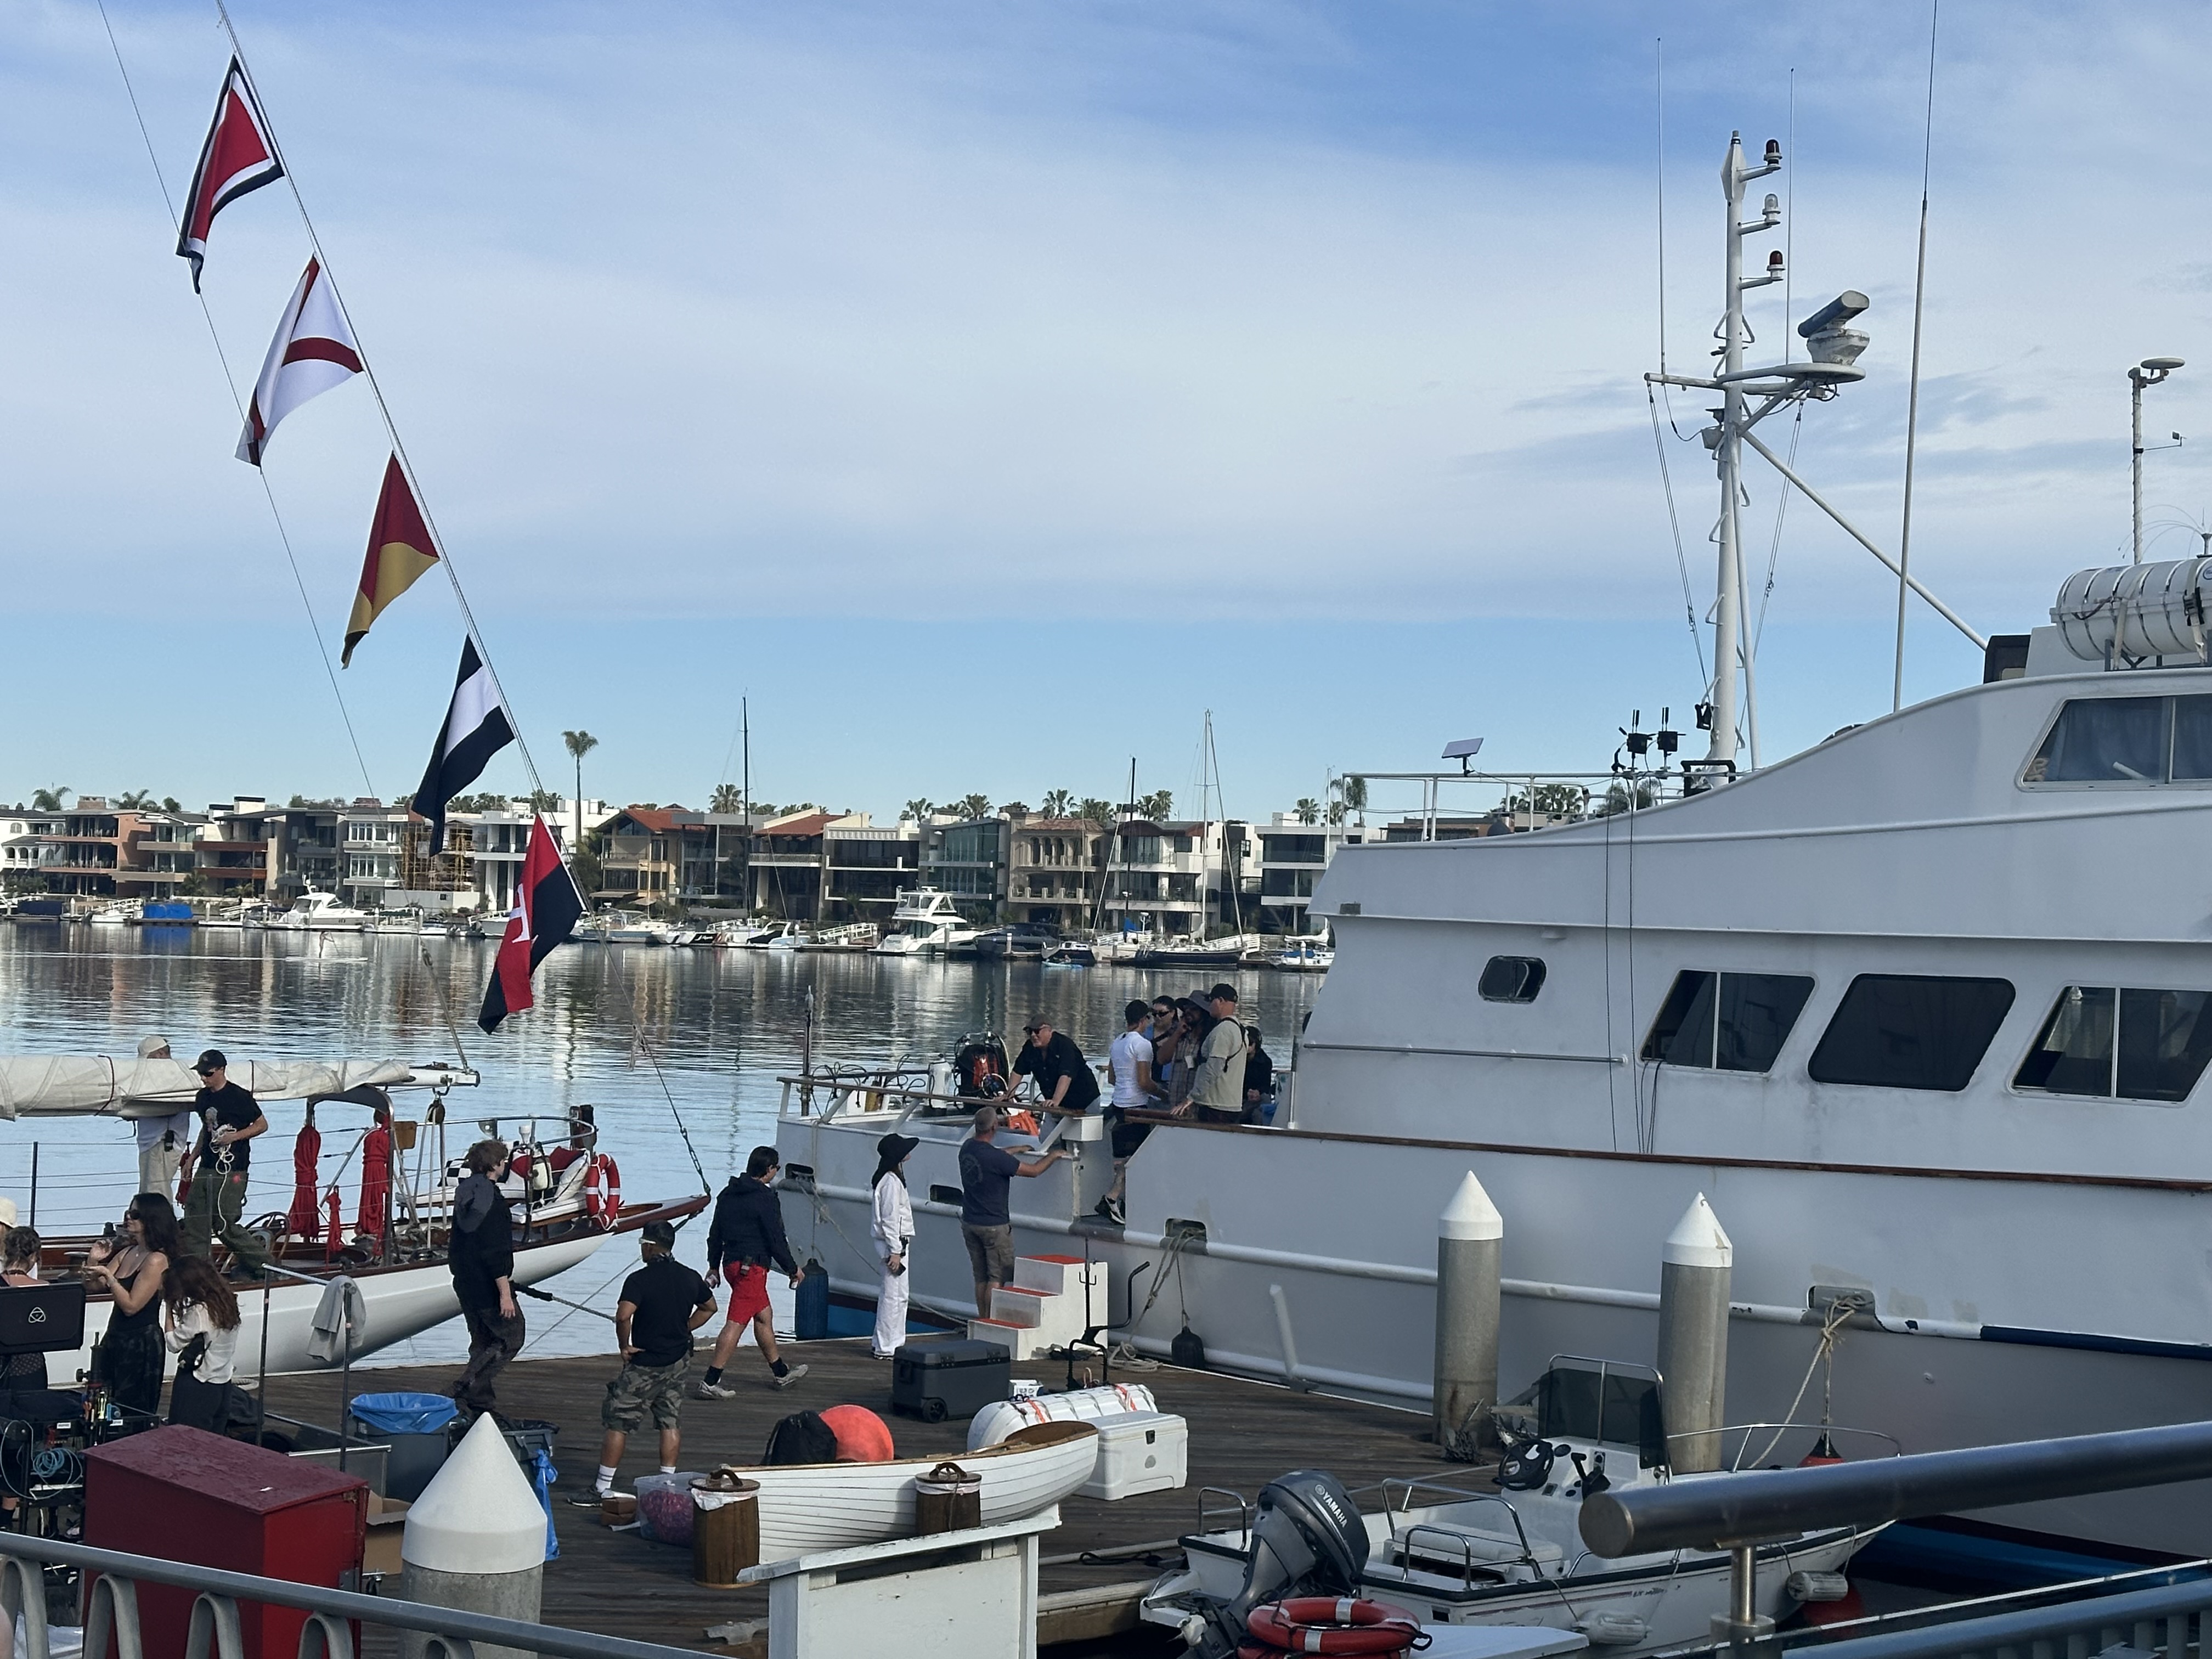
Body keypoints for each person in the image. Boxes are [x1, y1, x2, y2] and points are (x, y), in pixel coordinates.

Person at [573, 1220, 716, 1505]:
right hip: (678, 1361)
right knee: (669, 1421)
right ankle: (667, 1483)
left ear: (651, 1247)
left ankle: (601, 1488)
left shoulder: (639, 1280)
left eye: (643, 1245)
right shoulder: (689, 1277)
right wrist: (685, 1328)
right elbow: (710, 1307)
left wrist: (623, 1346)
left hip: (645, 1362)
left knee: (618, 1421)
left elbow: (624, 1315)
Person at [697, 1146, 808, 1397]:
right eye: (776, 1168)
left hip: (731, 1266)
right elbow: (776, 1239)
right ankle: (710, 1382)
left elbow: (715, 1235)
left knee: (763, 1315)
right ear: (768, 1170)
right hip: (752, 1269)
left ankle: (781, 1373)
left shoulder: (727, 1194)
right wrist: (792, 1269)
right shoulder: (765, 1199)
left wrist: (713, 1266)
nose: (777, 1172)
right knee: (736, 1324)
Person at [958, 1106, 1066, 1315]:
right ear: (995, 1126)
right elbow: (1034, 1172)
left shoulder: (967, 1148)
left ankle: (982, 1318)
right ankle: (992, 1321)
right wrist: (1053, 1155)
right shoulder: (996, 1159)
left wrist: (1016, 1150)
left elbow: (995, 1156)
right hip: (994, 1226)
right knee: (996, 1278)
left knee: (981, 1277)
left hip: (970, 1222)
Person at [83, 1194, 178, 1423]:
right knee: (101, 1404)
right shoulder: (127, 1252)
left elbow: (132, 1306)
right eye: (128, 1212)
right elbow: (92, 1287)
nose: (128, 1218)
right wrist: (94, 1261)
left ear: (150, 1220)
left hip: (140, 1342)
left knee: (131, 1411)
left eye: (135, 1214)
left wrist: (109, 1276)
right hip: (115, 1337)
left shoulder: (157, 1260)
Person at [177, 1050, 270, 1278]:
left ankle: (265, 1264)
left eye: (208, 1074)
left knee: (223, 1221)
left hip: (233, 1168)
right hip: (207, 1164)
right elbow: (206, 1129)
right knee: (195, 1216)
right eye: (201, 1074)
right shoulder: (203, 1097)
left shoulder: (239, 1096)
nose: (204, 1078)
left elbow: (261, 1125)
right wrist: (192, 1158)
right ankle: (199, 1269)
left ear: (221, 1070)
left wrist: (235, 1137)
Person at [448, 1139, 522, 1420]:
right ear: (495, 1166)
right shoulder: (492, 1201)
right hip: (487, 1284)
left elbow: (461, 1242)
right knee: (511, 1337)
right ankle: (464, 1387)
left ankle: (480, 1402)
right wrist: (505, 1292)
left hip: (465, 1280)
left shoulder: (464, 1192)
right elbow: (495, 1249)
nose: (505, 1166)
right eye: (503, 1161)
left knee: (482, 1340)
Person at [1096, 1001, 1165, 1225]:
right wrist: (1164, 1094)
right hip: (1137, 1106)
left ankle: (1125, 1202)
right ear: (1144, 1020)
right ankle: (1112, 1197)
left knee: (1130, 1156)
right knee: (1139, 1157)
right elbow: (1144, 1082)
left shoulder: (1118, 1042)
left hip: (1118, 1104)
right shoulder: (1143, 1044)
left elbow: (1112, 1079)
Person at [164, 1254, 247, 1434]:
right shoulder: (228, 1302)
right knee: (213, 1441)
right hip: (222, 1382)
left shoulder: (199, 1312)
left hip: (198, 1383)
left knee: (183, 1437)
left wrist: (169, 1309)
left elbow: (173, 1344)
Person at [868, 1133, 918, 1360]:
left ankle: (892, 1342)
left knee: (898, 1295)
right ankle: (887, 1346)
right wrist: (895, 1251)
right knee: (892, 1296)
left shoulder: (891, 1179)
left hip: (896, 1243)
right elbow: (890, 1219)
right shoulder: (890, 1182)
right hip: (894, 1244)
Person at [129, 1037, 194, 1200]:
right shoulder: (158, 1075)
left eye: (148, 1059)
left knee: (156, 1192)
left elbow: (171, 1108)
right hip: (150, 1142)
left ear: (160, 1054)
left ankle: (161, 1224)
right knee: (147, 1191)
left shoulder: (174, 1075)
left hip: (162, 1142)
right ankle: (148, 1223)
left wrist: (135, 1109)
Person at [1012, 1019, 1100, 1118]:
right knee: (1048, 1132)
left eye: (1037, 1031)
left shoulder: (1065, 1045)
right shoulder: (1030, 1047)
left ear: (1049, 1031)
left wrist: (1055, 1101)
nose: (1033, 1035)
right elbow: (1018, 1071)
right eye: (1029, 1032)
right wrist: (1009, 1095)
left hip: (1084, 1101)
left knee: (1079, 1131)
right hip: (1054, 1103)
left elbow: (1066, 1076)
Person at [1189, 984, 1248, 1126]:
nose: (1209, 1006)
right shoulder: (1241, 1029)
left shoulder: (1223, 1031)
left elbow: (1214, 1068)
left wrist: (1191, 1097)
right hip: (1232, 1104)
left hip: (1216, 1106)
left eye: (1211, 1001)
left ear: (1220, 1001)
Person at [1243, 1024, 1277, 1125]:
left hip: (1257, 1096)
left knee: (1263, 1102)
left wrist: (1257, 1092)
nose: (1247, 1046)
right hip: (1241, 1096)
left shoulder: (1265, 1062)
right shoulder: (1237, 1058)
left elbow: (1266, 1085)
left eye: (1250, 1043)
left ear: (1256, 1044)